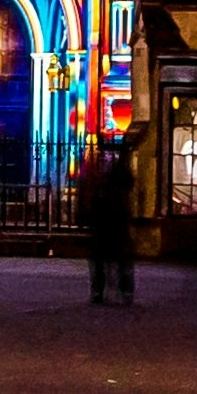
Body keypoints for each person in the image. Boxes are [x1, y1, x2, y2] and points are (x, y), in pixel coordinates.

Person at [76, 129, 140, 306]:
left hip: (109, 215)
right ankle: (111, 289)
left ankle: (110, 289)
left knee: (110, 257)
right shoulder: (95, 167)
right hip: (107, 215)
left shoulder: (97, 167)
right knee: (110, 257)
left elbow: (127, 184)